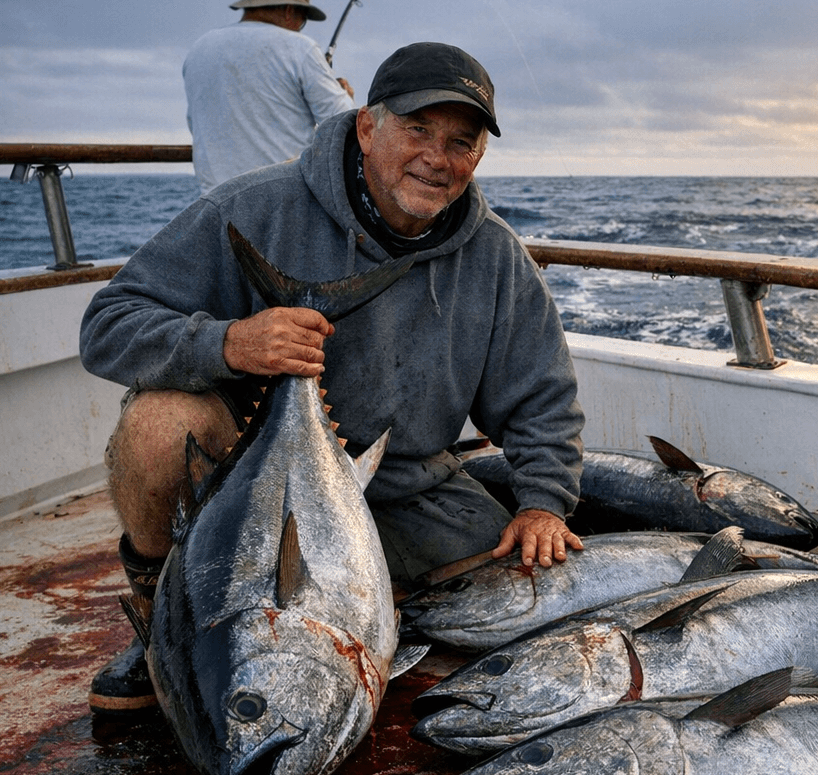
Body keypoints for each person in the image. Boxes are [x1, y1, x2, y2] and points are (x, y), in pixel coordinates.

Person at [81, 41, 585, 719]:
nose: (438, 158)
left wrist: (543, 502)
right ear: (366, 127)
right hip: (247, 489)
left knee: (518, 599)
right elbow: (107, 323)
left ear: (480, 156)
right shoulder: (252, 209)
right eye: (417, 130)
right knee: (158, 427)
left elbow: (540, 396)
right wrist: (228, 343)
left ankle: (359, 599)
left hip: (404, 483)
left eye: (461, 142)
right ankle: (157, 618)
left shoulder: (492, 253)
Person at [183, 0, 356, 194]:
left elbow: (195, 123)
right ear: (288, 10)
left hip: (214, 205)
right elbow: (342, 125)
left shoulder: (199, 48)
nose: (301, 26)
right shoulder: (300, 48)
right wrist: (345, 96)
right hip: (282, 202)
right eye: (303, 18)